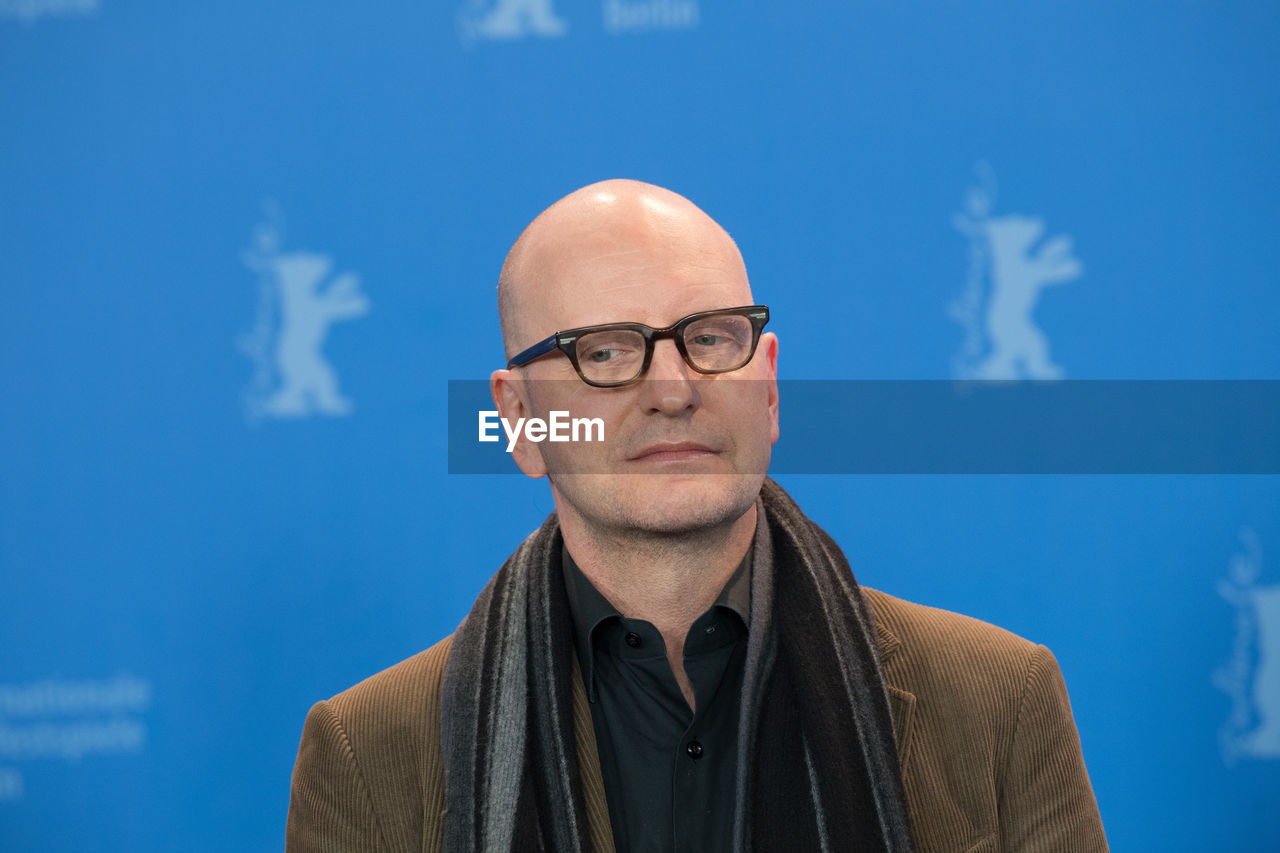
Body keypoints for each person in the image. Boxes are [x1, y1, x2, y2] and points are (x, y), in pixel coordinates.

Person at [285, 179, 1108, 852]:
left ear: (771, 383)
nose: (675, 390)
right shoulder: (366, 753)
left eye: (712, 338)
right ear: (519, 420)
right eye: (604, 351)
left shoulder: (1000, 701)